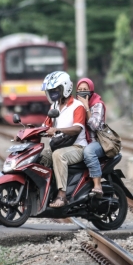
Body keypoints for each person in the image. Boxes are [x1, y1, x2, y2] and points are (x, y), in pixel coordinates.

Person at [41, 71, 88, 208]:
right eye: (51, 90)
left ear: (65, 88)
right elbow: (45, 126)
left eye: (56, 89)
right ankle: (45, 191)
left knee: (58, 155)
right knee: (40, 156)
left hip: (78, 147)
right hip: (59, 145)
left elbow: (77, 129)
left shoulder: (77, 106)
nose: (53, 93)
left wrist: (57, 130)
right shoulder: (54, 107)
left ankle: (62, 195)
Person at [76, 78, 106, 197]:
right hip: (82, 141)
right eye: (80, 90)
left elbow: (94, 126)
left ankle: (97, 184)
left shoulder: (97, 104)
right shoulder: (75, 104)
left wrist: (86, 107)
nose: (82, 92)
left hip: (97, 142)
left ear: (91, 90)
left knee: (89, 151)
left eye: (85, 89)